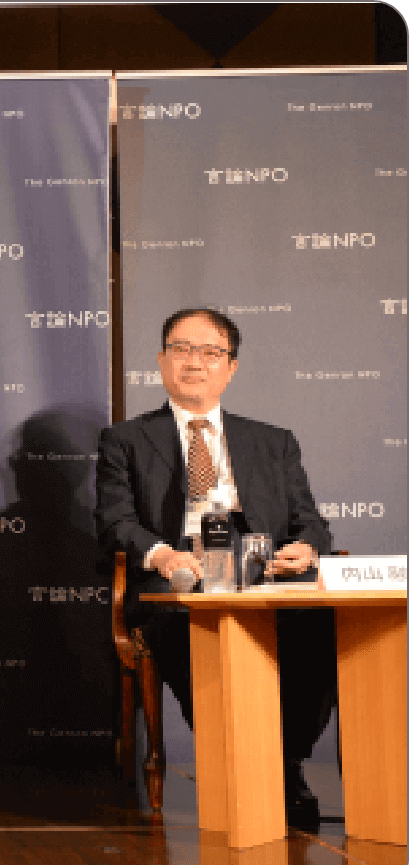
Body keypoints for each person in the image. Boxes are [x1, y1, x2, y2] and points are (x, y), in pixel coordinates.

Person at [95, 307, 335, 828]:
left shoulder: (273, 442)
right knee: (191, 628)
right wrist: (162, 554)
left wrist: (306, 547)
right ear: (161, 361)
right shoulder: (126, 441)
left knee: (320, 627)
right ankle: (238, 760)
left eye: (210, 352)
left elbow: (311, 522)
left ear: (231, 367)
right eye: (181, 349)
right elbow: (116, 522)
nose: (194, 362)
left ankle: (285, 763)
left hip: (263, 575)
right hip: (178, 580)